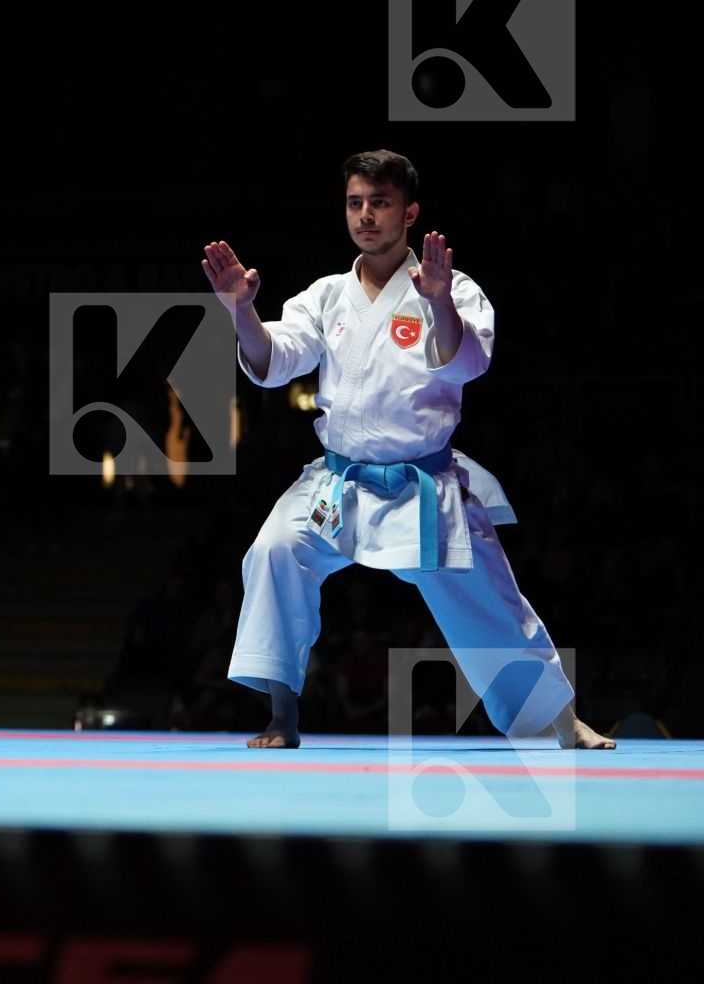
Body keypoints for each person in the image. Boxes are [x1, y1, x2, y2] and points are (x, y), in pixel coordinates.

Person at [201, 149, 614, 750]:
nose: (365, 215)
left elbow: (466, 363)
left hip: (424, 486)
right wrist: (242, 312)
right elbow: (274, 361)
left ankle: (562, 720)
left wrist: (439, 302)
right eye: (355, 203)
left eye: (380, 202)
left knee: (491, 601)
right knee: (274, 551)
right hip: (338, 485)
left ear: (410, 213)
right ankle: (282, 717)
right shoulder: (326, 296)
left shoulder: (452, 288)